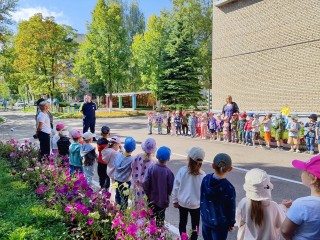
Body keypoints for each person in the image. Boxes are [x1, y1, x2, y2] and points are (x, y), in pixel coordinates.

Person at [236, 168, 291, 240]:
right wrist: (283, 206)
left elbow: (239, 222)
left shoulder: (243, 203)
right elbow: (282, 223)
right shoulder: (273, 206)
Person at [281, 155, 320, 239]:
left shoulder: (301, 204)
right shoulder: (302, 204)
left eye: (304, 170)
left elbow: (285, 230)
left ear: (314, 179)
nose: (302, 172)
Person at [172, 147, 206, 240]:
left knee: (182, 222)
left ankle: (183, 238)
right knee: (195, 224)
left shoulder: (182, 171)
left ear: (189, 159)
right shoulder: (203, 175)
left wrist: (175, 200)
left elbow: (176, 187)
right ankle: (193, 238)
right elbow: (205, 192)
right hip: (196, 204)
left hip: (182, 202)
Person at [200, 153, 236, 240]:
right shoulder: (229, 187)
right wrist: (231, 223)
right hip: (220, 224)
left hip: (206, 220)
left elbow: (202, 197)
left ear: (212, 166)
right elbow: (231, 208)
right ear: (230, 169)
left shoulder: (205, 179)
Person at [143, 146, 174, 227]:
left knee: (151, 218)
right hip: (162, 200)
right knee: (160, 219)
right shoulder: (169, 172)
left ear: (156, 156)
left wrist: (147, 192)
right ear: (168, 158)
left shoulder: (151, 168)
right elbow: (170, 187)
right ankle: (159, 234)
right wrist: (167, 194)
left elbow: (145, 182)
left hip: (151, 198)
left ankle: (150, 233)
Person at [132, 138, 157, 205]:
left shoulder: (137, 157)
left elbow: (132, 167)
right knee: (144, 209)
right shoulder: (153, 163)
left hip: (136, 186)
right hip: (146, 190)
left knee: (136, 206)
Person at [114, 137, 136, 209]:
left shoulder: (119, 155)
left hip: (117, 179)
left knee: (117, 194)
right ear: (133, 148)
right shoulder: (131, 159)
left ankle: (117, 207)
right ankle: (123, 211)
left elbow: (116, 161)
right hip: (125, 181)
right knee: (124, 197)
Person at [97, 126, 110, 190]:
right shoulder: (108, 144)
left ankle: (101, 186)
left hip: (100, 161)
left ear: (101, 133)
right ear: (109, 133)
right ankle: (106, 188)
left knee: (101, 175)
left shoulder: (99, 142)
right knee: (107, 175)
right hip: (106, 162)